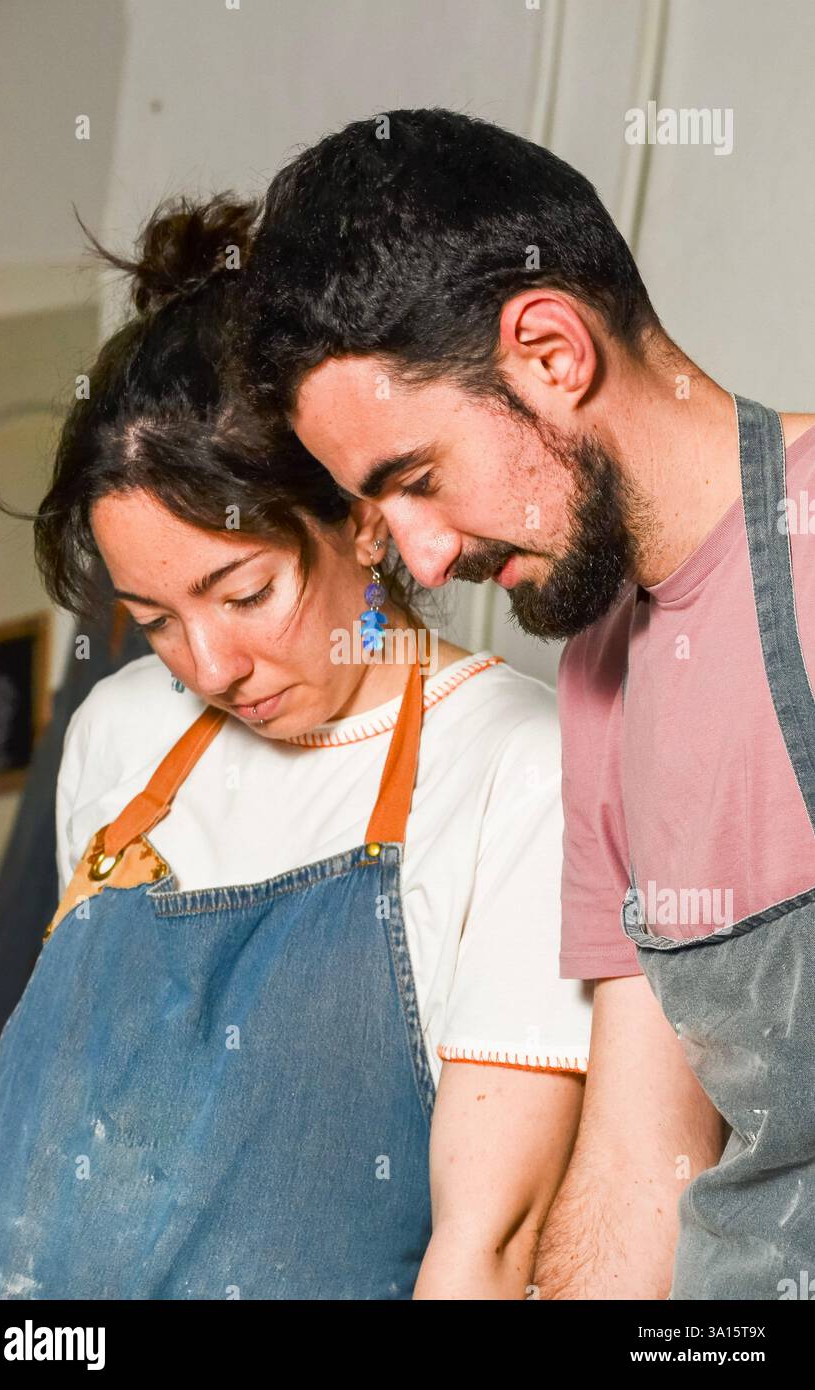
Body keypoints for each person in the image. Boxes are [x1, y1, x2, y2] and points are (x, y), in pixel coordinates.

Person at [0, 196, 592, 1300]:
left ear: (357, 517)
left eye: (244, 592)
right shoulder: (120, 736)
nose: (208, 665)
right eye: (154, 618)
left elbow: (488, 1247)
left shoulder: (516, 771)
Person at [239, 107, 815, 1300]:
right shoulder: (604, 677)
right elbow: (641, 1160)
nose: (425, 559)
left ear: (551, 351)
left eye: (420, 480)